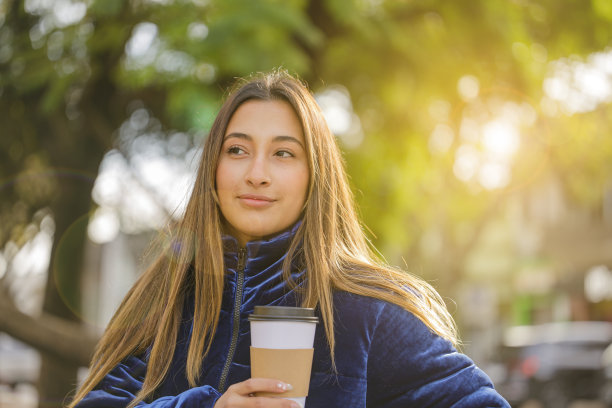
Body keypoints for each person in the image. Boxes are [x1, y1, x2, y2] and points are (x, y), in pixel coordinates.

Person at [69, 70, 510, 408]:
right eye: (237, 150)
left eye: (283, 153)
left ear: (314, 177)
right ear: (213, 171)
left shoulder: (369, 313)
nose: (256, 174)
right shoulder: (163, 300)